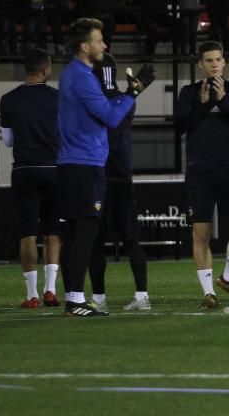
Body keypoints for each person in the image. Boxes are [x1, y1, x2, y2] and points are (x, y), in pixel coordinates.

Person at [57, 18, 155, 317]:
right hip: (85, 165)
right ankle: (75, 300)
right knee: (84, 234)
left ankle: (74, 298)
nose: (104, 45)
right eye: (99, 40)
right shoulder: (84, 77)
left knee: (75, 234)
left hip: (72, 163)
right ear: (85, 46)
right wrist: (134, 92)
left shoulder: (71, 74)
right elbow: (111, 117)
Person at [175, 41, 229, 309]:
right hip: (199, 171)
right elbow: (179, 126)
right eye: (209, 60)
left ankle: (228, 278)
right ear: (200, 64)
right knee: (201, 231)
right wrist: (202, 105)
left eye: (218, 59)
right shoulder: (188, 93)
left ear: (224, 62)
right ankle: (209, 292)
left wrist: (223, 101)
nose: (214, 64)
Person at [87, 53, 151, 312]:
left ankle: (100, 299)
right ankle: (142, 295)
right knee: (131, 240)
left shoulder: (93, 100)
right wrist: (132, 90)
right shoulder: (126, 101)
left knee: (95, 241)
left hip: (101, 178)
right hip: (123, 177)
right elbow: (121, 111)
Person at [0, 49, 61, 309]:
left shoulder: (8, 99)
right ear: (46, 70)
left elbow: (7, 140)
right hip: (54, 169)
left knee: (27, 233)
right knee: (53, 232)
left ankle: (32, 295)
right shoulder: (58, 98)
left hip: (24, 170)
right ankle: (50, 290)